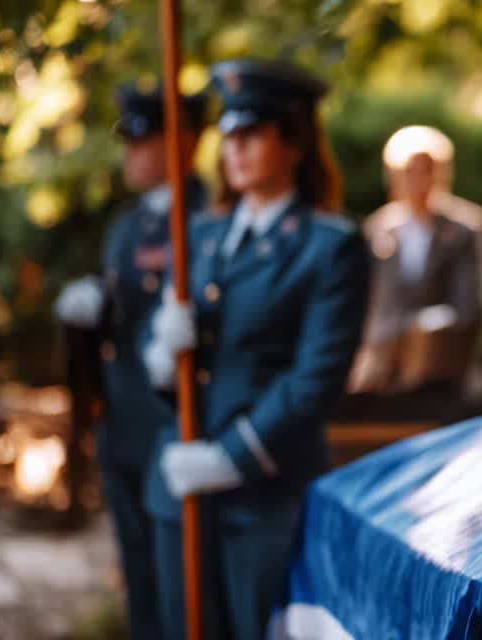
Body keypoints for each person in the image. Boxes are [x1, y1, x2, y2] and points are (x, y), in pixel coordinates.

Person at [140, 58, 369, 640]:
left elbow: (313, 381)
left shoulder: (330, 247)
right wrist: (163, 355)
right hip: (180, 487)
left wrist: (229, 459)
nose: (234, 148)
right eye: (229, 135)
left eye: (253, 133)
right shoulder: (200, 235)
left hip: (264, 498)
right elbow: (176, 369)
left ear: (294, 143)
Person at [53, 83, 207, 640]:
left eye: (144, 141)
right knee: (138, 576)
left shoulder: (205, 216)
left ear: (182, 143)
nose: (131, 154)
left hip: (171, 422)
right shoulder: (129, 224)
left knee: (181, 590)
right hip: (121, 418)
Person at [347, 125, 482, 407]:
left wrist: (428, 332)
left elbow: (471, 301)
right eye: (409, 170)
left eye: (427, 169)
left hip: (443, 365)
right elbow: (366, 298)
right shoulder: (379, 227)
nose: (419, 179)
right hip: (383, 367)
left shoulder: (465, 227)